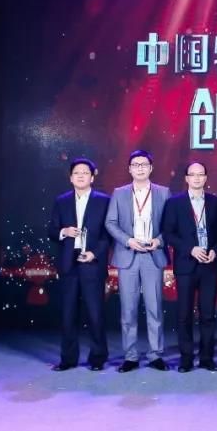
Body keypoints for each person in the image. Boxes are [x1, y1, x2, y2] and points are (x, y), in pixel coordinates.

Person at [105, 150, 171, 372]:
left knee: (155, 308)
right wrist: (128, 240)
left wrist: (159, 241)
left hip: (153, 256)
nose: (140, 168)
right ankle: (130, 356)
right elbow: (110, 222)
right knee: (128, 310)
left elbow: (170, 225)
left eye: (144, 164)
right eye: (135, 164)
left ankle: (155, 354)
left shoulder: (163, 192)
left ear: (151, 168)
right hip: (128, 256)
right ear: (129, 169)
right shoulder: (119, 193)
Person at [48, 158, 111, 372]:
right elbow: (51, 230)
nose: (81, 175)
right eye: (77, 172)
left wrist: (94, 253)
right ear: (70, 177)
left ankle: (98, 358)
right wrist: (63, 231)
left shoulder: (104, 200)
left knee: (95, 313)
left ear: (92, 177)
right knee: (68, 314)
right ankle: (68, 359)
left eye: (85, 172)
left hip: (92, 261)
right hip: (68, 262)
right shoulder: (62, 201)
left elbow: (108, 234)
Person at [162, 162, 217, 372]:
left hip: (209, 265)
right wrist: (190, 249)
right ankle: (186, 359)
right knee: (184, 314)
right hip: (186, 265)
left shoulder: (215, 202)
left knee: (208, 315)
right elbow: (168, 234)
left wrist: (215, 250)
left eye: (201, 175)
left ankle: (207, 358)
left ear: (206, 178)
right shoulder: (174, 203)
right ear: (186, 178)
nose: (197, 178)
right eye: (193, 175)